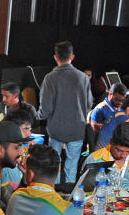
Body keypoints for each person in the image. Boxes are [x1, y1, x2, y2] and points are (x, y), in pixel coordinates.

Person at [38, 41, 94, 183]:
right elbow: (88, 104)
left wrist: (37, 116)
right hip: (77, 129)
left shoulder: (50, 78)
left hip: (56, 129)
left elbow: (46, 109)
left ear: (55, 57)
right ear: (72, 57)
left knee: (53, 166)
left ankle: (53, 194)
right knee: (71, 167)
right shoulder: (83, 78)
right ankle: (68, 196)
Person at [80, 122, 129, 193]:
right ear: (111, 142)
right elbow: (84, 190)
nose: (123, 155)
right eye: (119, 150)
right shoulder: (94, 159)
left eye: (128, 152)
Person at [90, 83, 128, 147]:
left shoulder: (118, 106)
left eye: (122, 100)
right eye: (117, 100)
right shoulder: (100, 110)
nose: (120, 103)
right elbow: (94, 134)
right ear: (110, 94)